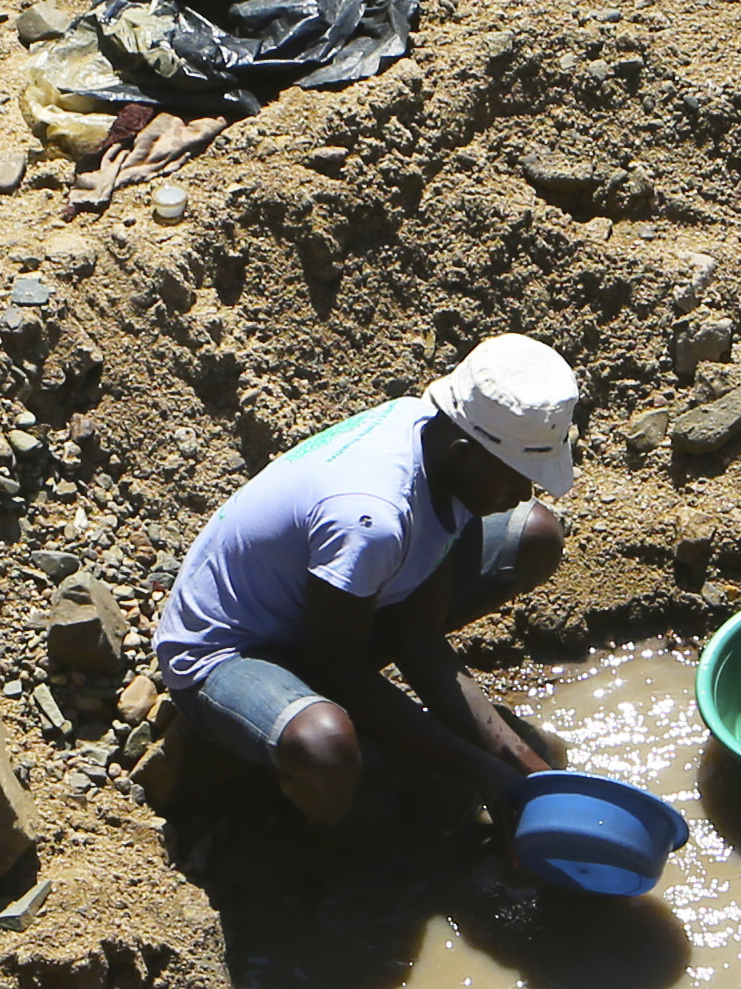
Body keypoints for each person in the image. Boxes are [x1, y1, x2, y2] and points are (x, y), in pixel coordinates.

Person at [152, 334, 589, 826]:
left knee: (535, 533)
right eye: (515, 475)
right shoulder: (372, 519)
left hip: (330, 611)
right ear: (466, 452)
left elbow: (418, 640)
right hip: (229, 648)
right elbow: (334, 667)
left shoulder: (442, 446)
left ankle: (343, 734)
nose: (523, 491)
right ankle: (318, 840)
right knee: (327, 746)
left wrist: (523, 769)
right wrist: (481, 772)